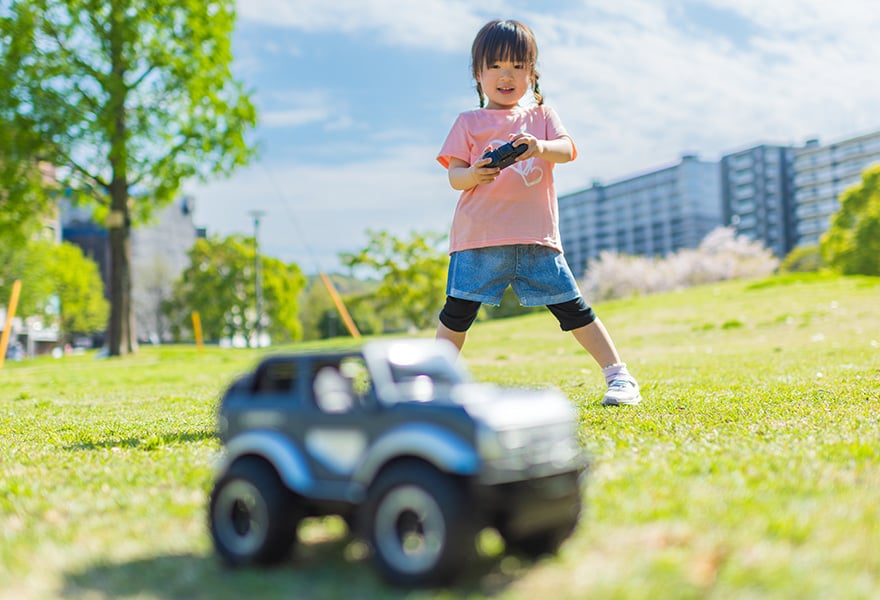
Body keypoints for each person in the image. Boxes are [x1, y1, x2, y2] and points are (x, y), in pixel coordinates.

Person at [435, 19, 641, 406]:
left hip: (536, 239)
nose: (506, 75)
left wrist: (538, 147)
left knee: (574, 310)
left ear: (532, 73)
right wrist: (475, 173)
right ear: (478, 74)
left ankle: (619, 377)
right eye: (495, 66)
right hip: (478, 239)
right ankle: (430, 385)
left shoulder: (543, 117)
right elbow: (455, 177)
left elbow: (567, 150)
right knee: (456, 314)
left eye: (518, 66)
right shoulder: (468, 122)